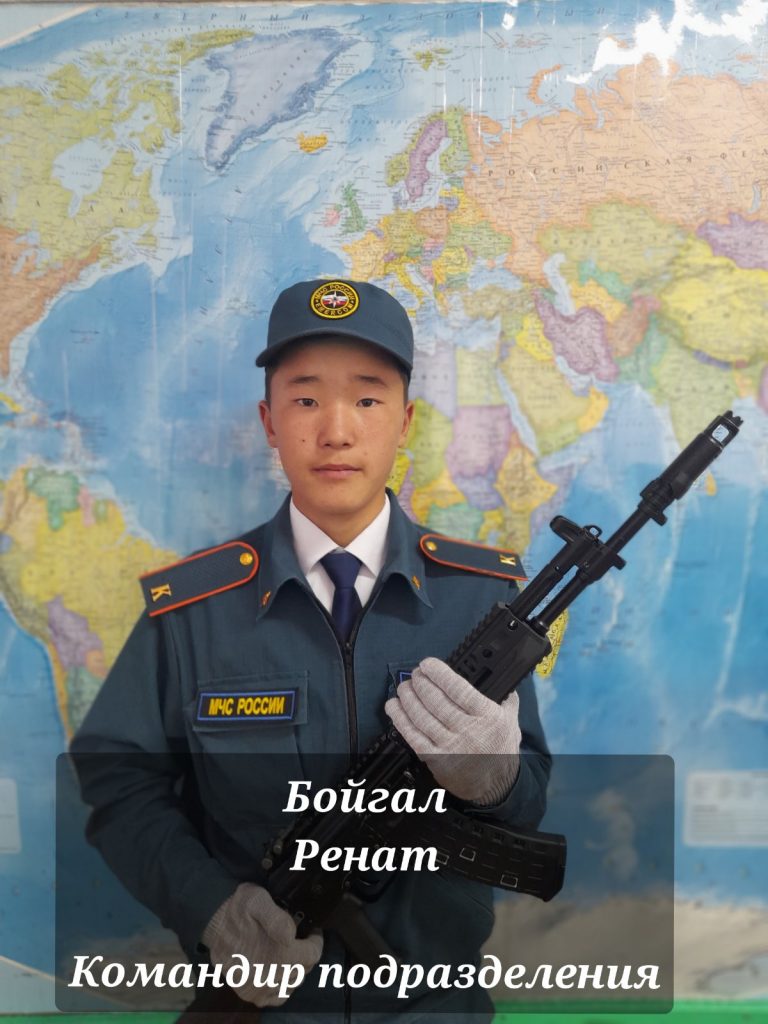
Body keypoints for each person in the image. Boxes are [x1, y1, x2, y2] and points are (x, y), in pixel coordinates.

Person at [70, 277, 551, 1021]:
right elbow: (119, 782)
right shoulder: (193, 612)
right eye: (304, 399)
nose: (336, 430)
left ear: (405, 421)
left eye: (367, 399)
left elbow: (528, 803)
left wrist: (497, 781)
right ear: (269, 421)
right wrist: (210, 907)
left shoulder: (476, 602)